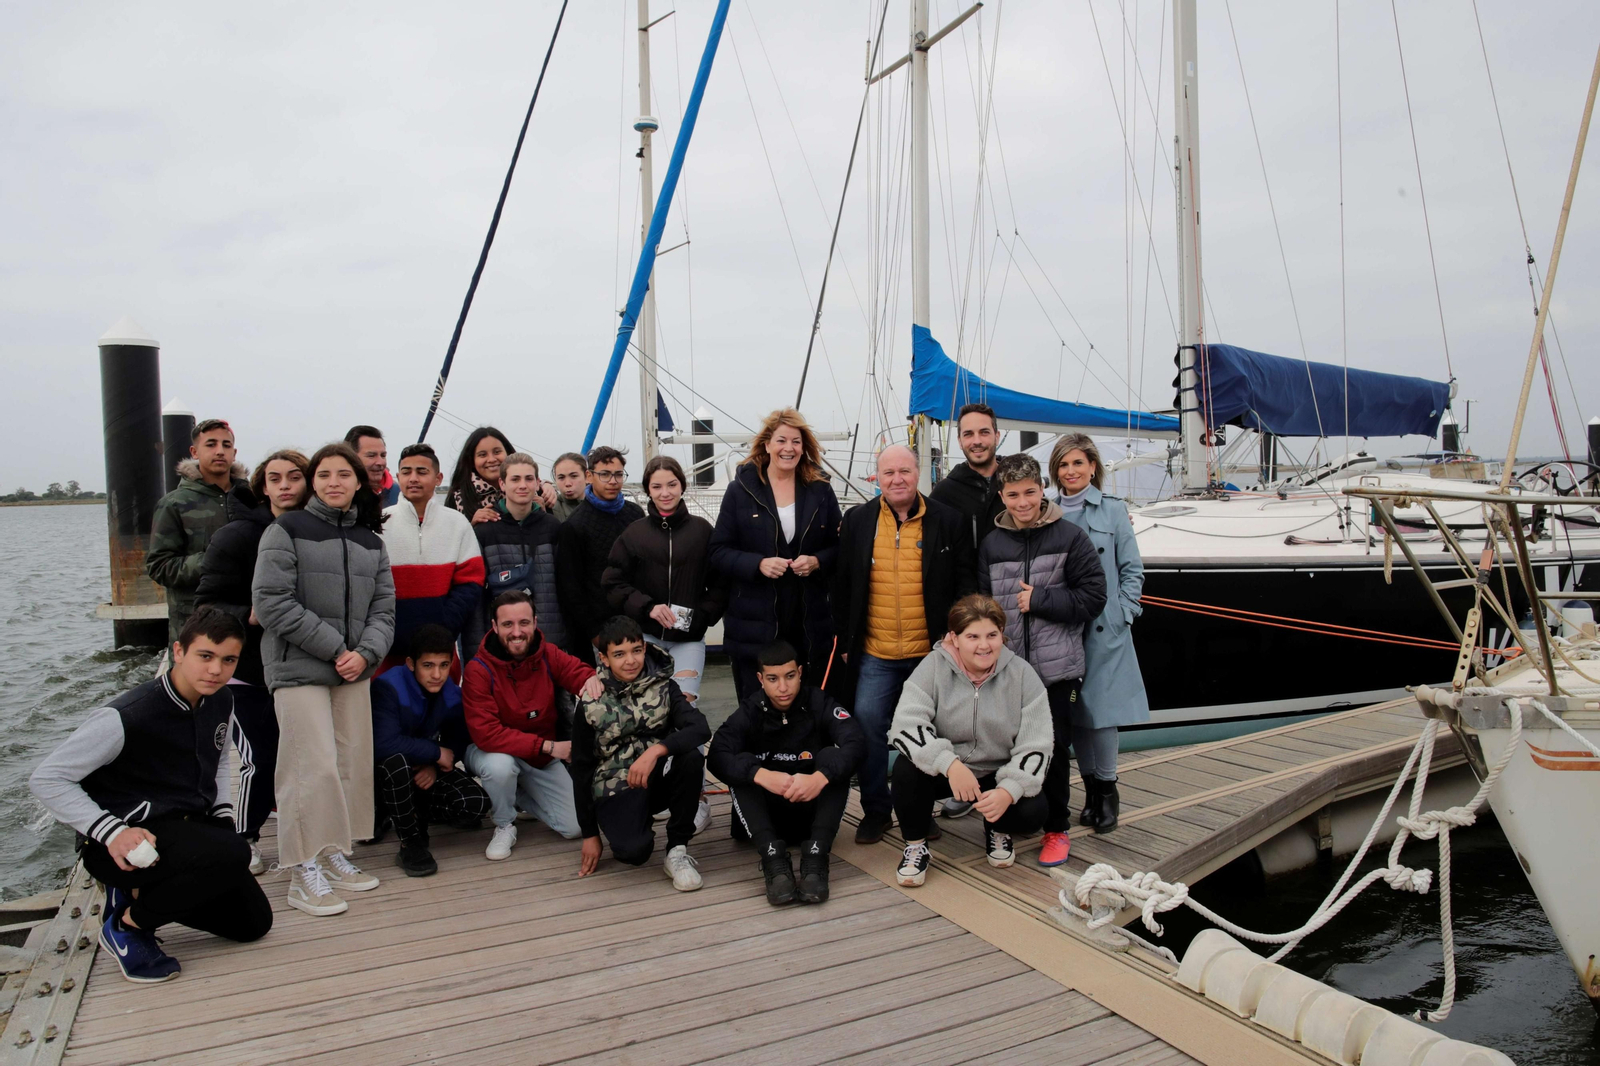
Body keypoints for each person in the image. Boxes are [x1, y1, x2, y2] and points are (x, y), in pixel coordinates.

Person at [30, 609, 272, 983]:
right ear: (178, 651)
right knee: (233, 852)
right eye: (204, 656)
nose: (215, 670)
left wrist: (223, 818)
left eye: (228, 660)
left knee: (253, 923)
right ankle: (128, 926)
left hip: (184, 830)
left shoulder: (222, 701)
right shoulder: (129, 715)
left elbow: (220, 759)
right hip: (123, 840)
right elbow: (47, 778)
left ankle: (142, 892)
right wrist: (112, 832)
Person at [253, 441, 395, 917]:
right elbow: (272, 601)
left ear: (359, 482)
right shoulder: (285, 530)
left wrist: (366, 654)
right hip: (299, 669)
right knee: (307, 766)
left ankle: (333, 851)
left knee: (349, 762)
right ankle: (301, 869)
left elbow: (384, 609)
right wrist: (338, 649)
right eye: (324, 474)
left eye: (344, 474)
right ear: (313, 481)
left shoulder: (371, 542)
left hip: (353, 669)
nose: (334, 482)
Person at [831, 444, 976, 844]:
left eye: (905, 472)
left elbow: (966, 583)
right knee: (868, 726)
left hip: (929, 653)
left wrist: (959, 639)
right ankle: (877, 811)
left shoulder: (949, 521)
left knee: (927, 733)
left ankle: (918, 809)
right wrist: (846, 640)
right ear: (877, 477)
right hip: (875, 651)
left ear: (918, 475)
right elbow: (842, 585)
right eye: (889, 472)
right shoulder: (858, 521)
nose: (897, 479)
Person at [978, 453, 1106, 867]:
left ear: (1042, 490)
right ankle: (1009, 822)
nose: (1022, 502)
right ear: (1002, 495)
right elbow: (983, 607)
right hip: (1007, 671)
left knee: (1052, 750)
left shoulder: (1070, 537)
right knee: (1005, 749)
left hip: (1057, 671)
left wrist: (1042, 600)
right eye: (1013, 494)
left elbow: (1094, 597)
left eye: (1030, 492)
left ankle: (1057, 829)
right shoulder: (992, 544)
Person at [195, 448, 310, 875]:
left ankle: (311, 837)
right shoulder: (237, 536)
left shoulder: (318, 532)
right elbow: (205, 604)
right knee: (256, 759)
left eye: (294, 477)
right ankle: (243, 836)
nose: (285, 486)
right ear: (263, 486)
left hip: (301, 666)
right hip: (247, 671)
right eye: (275, 478)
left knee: (300, 756)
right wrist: (249, 613)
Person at [889, 595, 1054, 887]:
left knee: (1033, 811)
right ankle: (916, 845)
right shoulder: (933, 667)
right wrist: (949, 765)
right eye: (972, 636)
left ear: (1002, 634)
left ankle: (997, 827)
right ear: (954, 638)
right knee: (905, 769)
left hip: (996, 774)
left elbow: (1037, 744)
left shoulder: (1023, 675)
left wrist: (1009, 790)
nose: (984, 645)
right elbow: (905, 726)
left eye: (992, 635)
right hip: (949, 771)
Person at [707, 641, 864, 906]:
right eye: (773, 679)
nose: (783, 687)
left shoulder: (820, 702)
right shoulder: (750, 710)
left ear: (800, 673)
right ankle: (773, 861)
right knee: (742, 764)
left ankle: (816, 858)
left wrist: (819, 778)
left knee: (832, 758)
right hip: (765, 818)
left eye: (790, 676)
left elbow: (857, 743)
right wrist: (761, 775)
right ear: (760, 679)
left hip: (812, 817)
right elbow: (716, 755)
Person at [709, 408, 842, 701]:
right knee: (756, 710)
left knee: (809, 705)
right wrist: (758, 564)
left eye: (796, 441)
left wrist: (817, 561)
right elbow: (718, 552)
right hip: (754, 622)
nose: (789, 448)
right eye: (782, 440)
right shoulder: (740, 490)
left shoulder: (821, 490)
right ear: (767, 444)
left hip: (808, 621)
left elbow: (839, 548)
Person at [1051, 434, 1149, 833]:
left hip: (1105, 628)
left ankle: (1107, 791)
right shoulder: (1048, 513)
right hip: (1060, 627)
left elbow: (1132, 569)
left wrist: (1124, 613)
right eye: (1063, 465)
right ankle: (1090, 790)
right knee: (1077, 713)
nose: (1070, 471)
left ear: (1093, 466)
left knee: (1103, 714)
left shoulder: (1112, 511)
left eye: (1078, 463)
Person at [572, 616, 710, 891]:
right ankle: (633, 824)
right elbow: (581, 768)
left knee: (691, 757)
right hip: (614, 786)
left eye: (636, 650)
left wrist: (657, 751)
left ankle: (677, 850)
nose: (630, 660)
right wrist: (589, 834)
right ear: (604, 658)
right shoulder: (590, 702)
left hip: (655, 776)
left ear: (645, 649)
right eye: (619, 654)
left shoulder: (666, 687)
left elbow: (700, 728)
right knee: (634, 853)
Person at [462, 591, 603, 860]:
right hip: (494, 751)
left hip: (539, 757)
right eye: (508, 624)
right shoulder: (478, 670)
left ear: (535, 622)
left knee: (575, 827)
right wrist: (550, 747)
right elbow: (487, 734)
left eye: (524, 623)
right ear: (494, 626)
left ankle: (517, 794)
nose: (517, 632)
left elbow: (578, 672)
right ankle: (504, 823)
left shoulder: (548, 653)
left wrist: (591, 680)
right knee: (499, 767)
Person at [603, 455, 725, 703]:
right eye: (657, 487)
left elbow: (721, 582)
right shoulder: (634, 533)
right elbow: (613, 582)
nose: (665, 493)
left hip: (688, 638)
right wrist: (647, 607)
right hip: (643, 638)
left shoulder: (703, 531)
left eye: (671, 484)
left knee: (684, 704)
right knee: (648, 706)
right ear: (648, 489)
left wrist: (702, 616)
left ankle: (692, 744)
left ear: (682, 485)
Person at [372, 624, 492, 877]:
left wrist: (433, 767)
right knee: (396, 764)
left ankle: (413, 811)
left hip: (424, 769)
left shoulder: (453, 695)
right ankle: (410, 842)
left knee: (476, 805)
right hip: (384, 774)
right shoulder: (387, 687)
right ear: (411, 663)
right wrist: (435, 753)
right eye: (428, 665)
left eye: (444, 665)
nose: (437, 674)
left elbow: (458, 741)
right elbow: (382, 744)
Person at [381, 442, 485, 671]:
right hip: (388, 652)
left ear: (438, 478)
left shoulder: (457, 523)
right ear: (398, 476)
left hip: (440, 651)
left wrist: (444, 629)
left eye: (422, 472)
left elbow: (471, 582)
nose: (413, 478)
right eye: (406, 472)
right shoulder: (379, 523)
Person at [146, 417, 249, 642]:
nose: (220, 451)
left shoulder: (250, 498)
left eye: (226, 445)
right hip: (195, 622)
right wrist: (213, 561)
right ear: (195, 451)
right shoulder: (174, 504)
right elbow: (159, 566)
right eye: (211, 444)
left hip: (246, 619)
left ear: (234, 452)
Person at [461, 452, 569, 658]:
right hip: (502, 642)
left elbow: (564, 587)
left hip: (549, 640)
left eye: (529, 479)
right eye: (515, 479)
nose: (523, 485)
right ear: (502, 483)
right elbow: (476, 597)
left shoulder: (552, 527)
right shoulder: (484, 531)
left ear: (538, 482)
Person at [555, 445, 644, 660]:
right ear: (589, 476)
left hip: (636, 621)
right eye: (604, 474)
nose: (613, 481)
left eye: (618, 474)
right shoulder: (574, 525)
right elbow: (570, 587)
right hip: (598, 628)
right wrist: (593, 633)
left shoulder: (636, 514)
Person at [929, 402, 1007, 553]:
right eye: (968, 434)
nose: (976, 441)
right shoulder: (944, 495)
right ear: (960, 441)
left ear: (996, 437)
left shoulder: (1018, 484)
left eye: (984, 432)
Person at [345, 425, 398, 508]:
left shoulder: (400, 495)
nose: (380, 462)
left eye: (383, 455)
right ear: (351, 457)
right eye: (371, 455)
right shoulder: (337, 493)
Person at [549, 451, 588, 522]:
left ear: (587, 477)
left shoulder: (603, 505)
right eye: (561, 477)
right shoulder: (549, 506)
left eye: (574, 476)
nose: (567, 483)